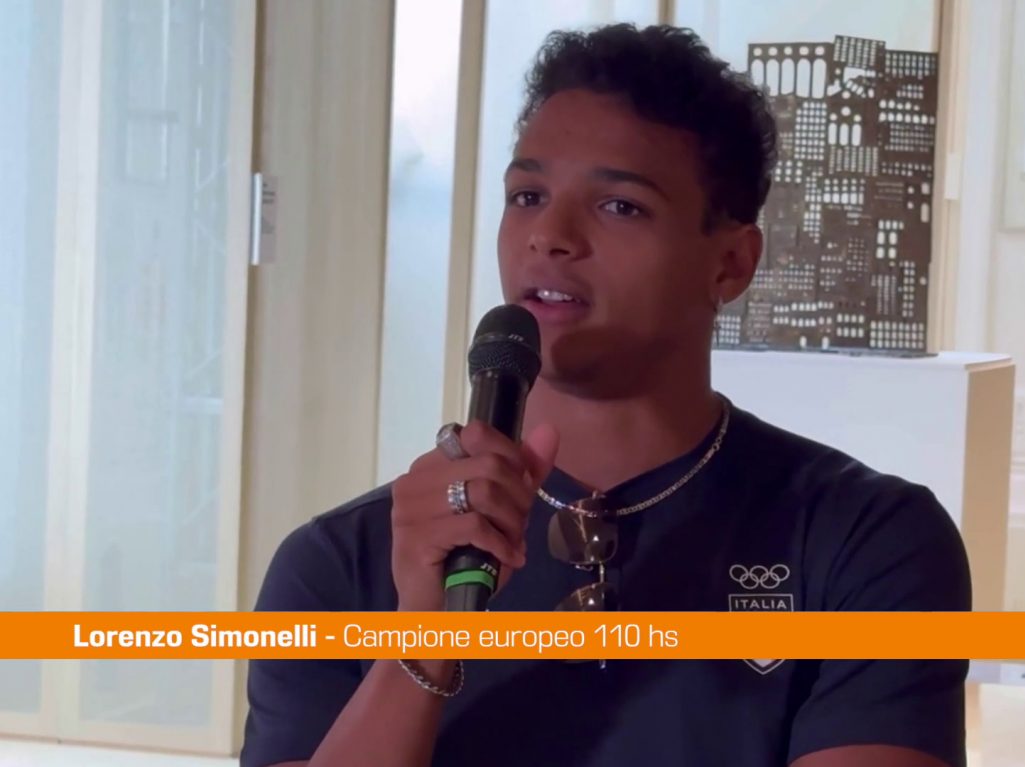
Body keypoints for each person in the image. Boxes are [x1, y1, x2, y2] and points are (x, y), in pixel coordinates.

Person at [242, 23, 971, 767]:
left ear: (730, 263)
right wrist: (422, 640)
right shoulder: (338, 563)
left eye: (620, 205)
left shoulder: (864, 541)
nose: (549, 235)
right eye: (527, 195)